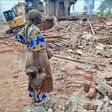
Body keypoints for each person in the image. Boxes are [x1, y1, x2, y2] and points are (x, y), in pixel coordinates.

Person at [16, 9, 53, 103]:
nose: (41, 18)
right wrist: (39, 66)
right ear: (35, 18)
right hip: (38, 56)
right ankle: (40, 98)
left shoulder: (27, 27)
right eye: (39, 17)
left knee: (33, 77)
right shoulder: (35, 30)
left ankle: (34, 96)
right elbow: (36, 50)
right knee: (40, 76)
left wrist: (27, 42)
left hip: (29, 55)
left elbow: (18, 37)